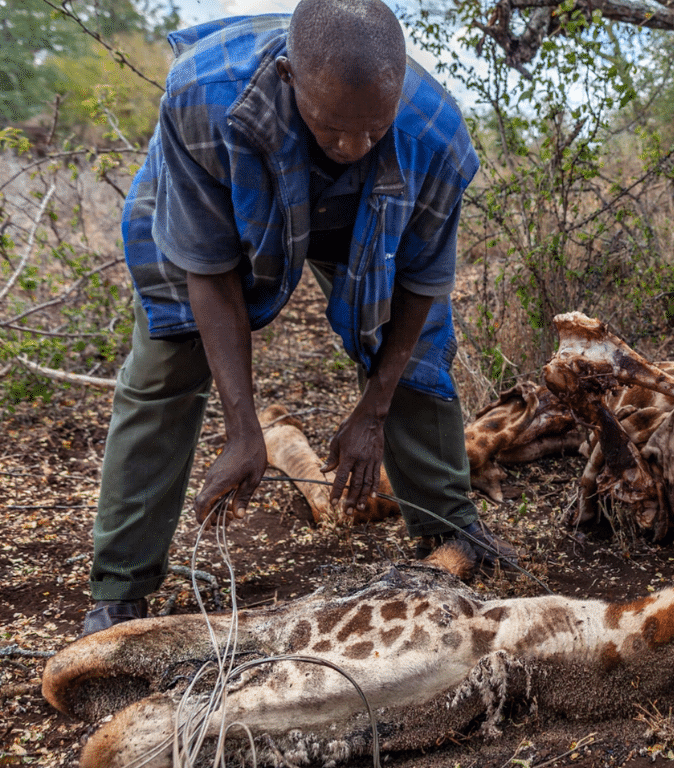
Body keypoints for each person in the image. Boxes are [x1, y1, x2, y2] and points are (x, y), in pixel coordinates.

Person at [83, 0, 515, 636]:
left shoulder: (436, 138)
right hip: (224, 193)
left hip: (362, 216)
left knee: (418, 355)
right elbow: (206, 267)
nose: (351, 147)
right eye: (333, 127)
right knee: (168, 359)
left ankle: (450, 527)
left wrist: (372, 410)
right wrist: (241, 429)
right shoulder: (203, 100)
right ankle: (120, 587)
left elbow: (423, 283)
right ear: (290, 77)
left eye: (372, 130)